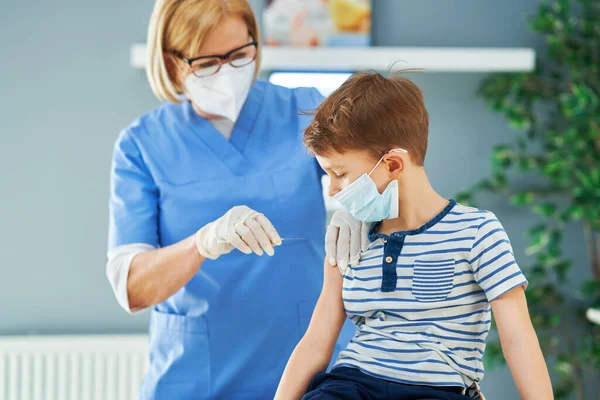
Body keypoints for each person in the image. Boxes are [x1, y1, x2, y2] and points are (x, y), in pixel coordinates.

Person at [105, 1, 364, 398]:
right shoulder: (143, 144)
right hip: (197, 375)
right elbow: (132, 288)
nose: (227, 73)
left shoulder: (304, 110)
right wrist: (201, 243)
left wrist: (365, 210)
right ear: (172, 62)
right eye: (208, 63)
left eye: (241, 55)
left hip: (308, 369)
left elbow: (373, 174)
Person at [275, 72, 554, 400]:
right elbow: (316, 342)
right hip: (354, 383)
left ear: (393, 164)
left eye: (339, 174)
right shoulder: (348, 237)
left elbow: (517, 338)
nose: (333, 191)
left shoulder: (477, 232)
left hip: (437, 389)